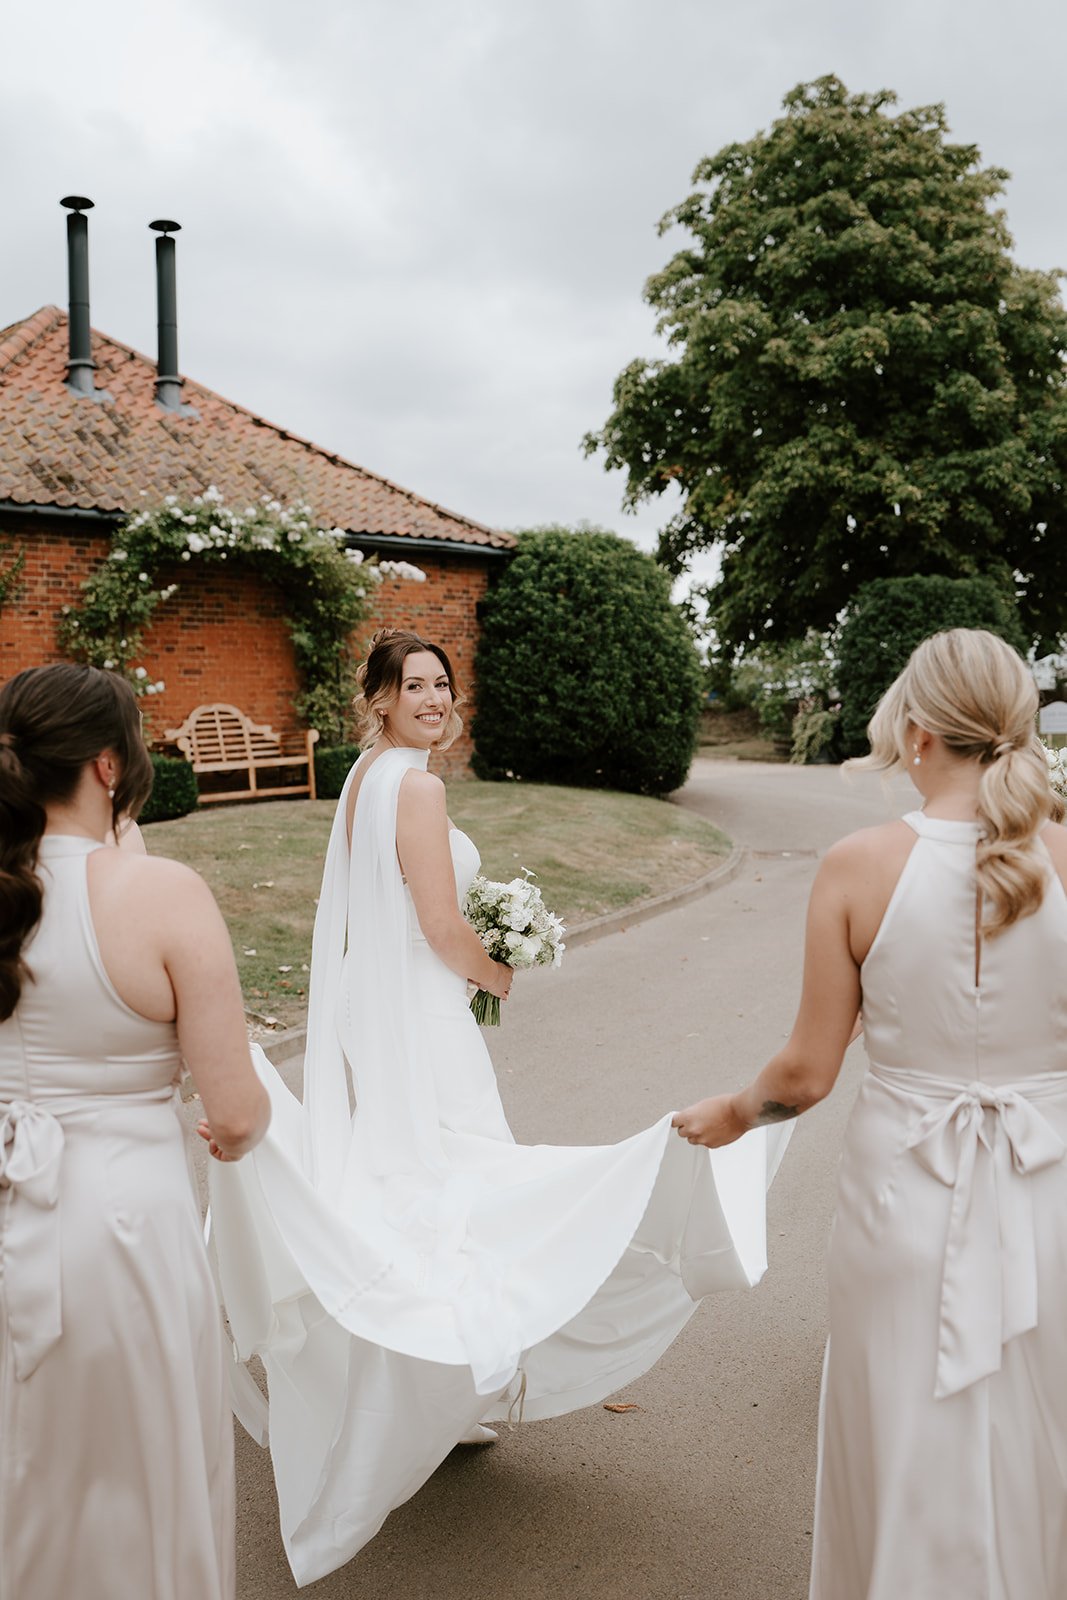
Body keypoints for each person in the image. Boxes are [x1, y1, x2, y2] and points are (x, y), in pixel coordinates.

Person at [207, 628, 794, 1587]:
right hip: (422, 1016)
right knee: (461, 1180)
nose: (435, 699)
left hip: (375, 1012)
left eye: (443, 683)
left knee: (409, 1177)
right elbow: (440, 924)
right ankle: (447, 1366)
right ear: (380, 699)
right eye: (414, 687)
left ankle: (423, 1381)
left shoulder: (364, 776)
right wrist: (497, 967)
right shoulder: (421, 787)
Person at [673, 628, 1067, 1600]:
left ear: (919, 730)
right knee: (1038, 1437)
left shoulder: (856, 864)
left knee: (901, 1439)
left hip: (903, 1201)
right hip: (1049, 1192)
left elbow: (804, 1073)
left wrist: (729, 1111)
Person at [0, 663, 271, 1600]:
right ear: (109, 766)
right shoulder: (160, 894)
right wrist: (234, 1134)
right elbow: (236, 1112)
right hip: (122, 1232)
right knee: (136, 1485)